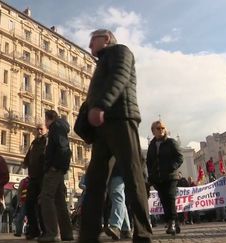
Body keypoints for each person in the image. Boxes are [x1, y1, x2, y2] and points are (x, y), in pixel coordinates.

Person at [77, 29, 152, 243]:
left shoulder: (121, 51)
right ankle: (88, 235)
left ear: (106, 39)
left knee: (133, 176)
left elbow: (120, 76)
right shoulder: (101, 62)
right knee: (95, 180)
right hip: (103, 126)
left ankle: (143, 233)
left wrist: (100, 105)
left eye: (93, 40)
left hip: (122, 118)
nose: (90, 45)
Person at [38, 110, 73, 242]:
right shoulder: (58, 127)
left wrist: (56, 166)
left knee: (46, 197)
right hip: (57, 168)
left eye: (45, 120)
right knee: (59, 200)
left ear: (48, 119)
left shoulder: (56, 127)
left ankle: (52, 233)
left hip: (54, 169)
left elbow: (63, 148)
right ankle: (67, 233)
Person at [146, 121, 183, 235]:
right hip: (158, 178)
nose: (161, 129)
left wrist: (172, 167)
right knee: (164, 200)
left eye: (163, 127)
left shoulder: (171, 142)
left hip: (171, 176)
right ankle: (174, 222)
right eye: (158, 128)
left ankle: (171, 223)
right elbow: (149, 162)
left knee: (170, 197)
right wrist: (151, 176)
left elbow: (179, 157)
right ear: (153, 131)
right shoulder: (151, 145)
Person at [22, 123, 48, 240]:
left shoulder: (47, 141)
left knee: (42, 204)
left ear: (46, 129)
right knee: (29, 203)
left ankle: (45, 230)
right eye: (37, 129)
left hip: (43, 177)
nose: (39, 131)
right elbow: (28, 157)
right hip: (33, 177)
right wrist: (25, 162)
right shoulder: (33, 143)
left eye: (41, 129)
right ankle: (34, 230)